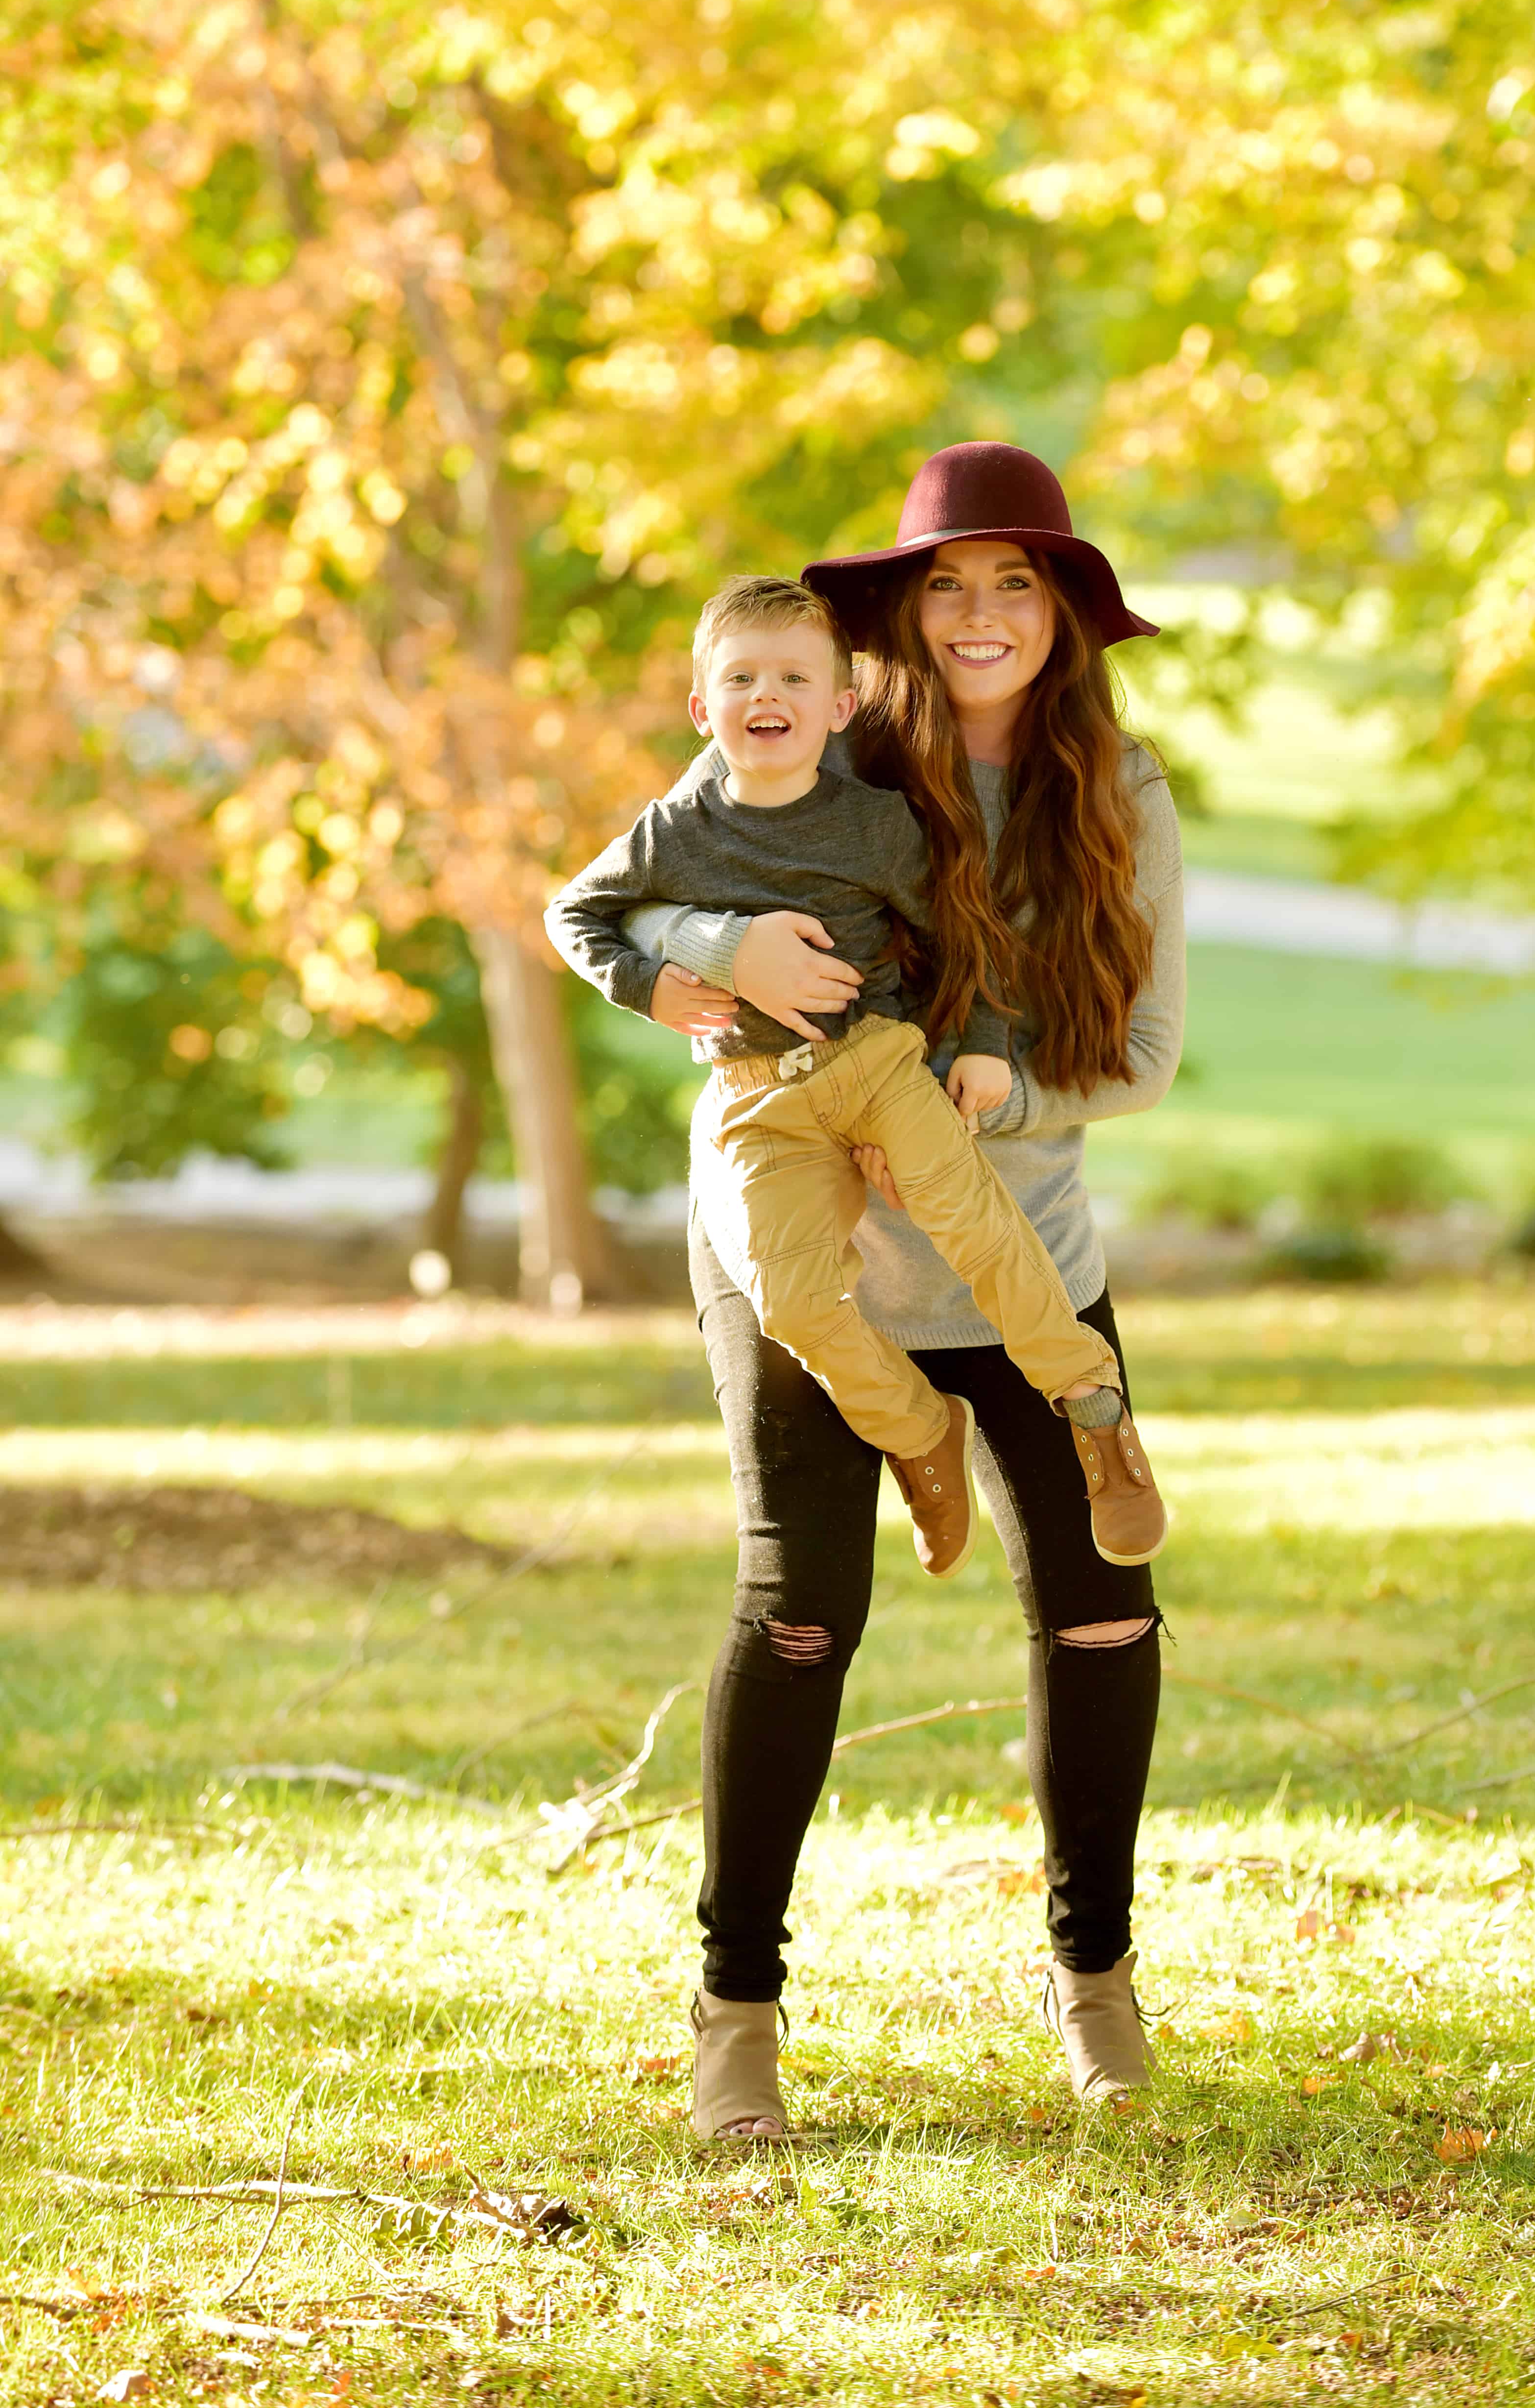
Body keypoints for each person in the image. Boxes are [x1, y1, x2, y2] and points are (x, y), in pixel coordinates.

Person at [625, 442, 1183, 2140]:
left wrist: (1016, 1096)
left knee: (1105, 1606)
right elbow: (641, 889)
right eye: (947, 579)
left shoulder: (1122, 792)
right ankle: (736, 2007)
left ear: (1063, 615)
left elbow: (1145, 1057)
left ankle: (1091, 1973)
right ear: (899, 608)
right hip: (814, 1268)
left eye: (1014, 580)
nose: (978, 611)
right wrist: (714, 963)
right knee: (800, 1617)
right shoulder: (814, 745)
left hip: (1025, 1258)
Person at [545, 571, 1163, 1569]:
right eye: (740, 679)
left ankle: (1093, 1405)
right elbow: (575, 913)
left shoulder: (874, 821)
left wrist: (986, 1052)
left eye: (792, 677)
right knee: (791, 1301)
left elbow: (966, 938)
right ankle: (919, 1431)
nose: (766, 697)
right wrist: (656, 980)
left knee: (974, 1218)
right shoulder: (676, 829)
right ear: (705, 710)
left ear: (841, 706)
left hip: (878, 1064)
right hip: (759, 1097)